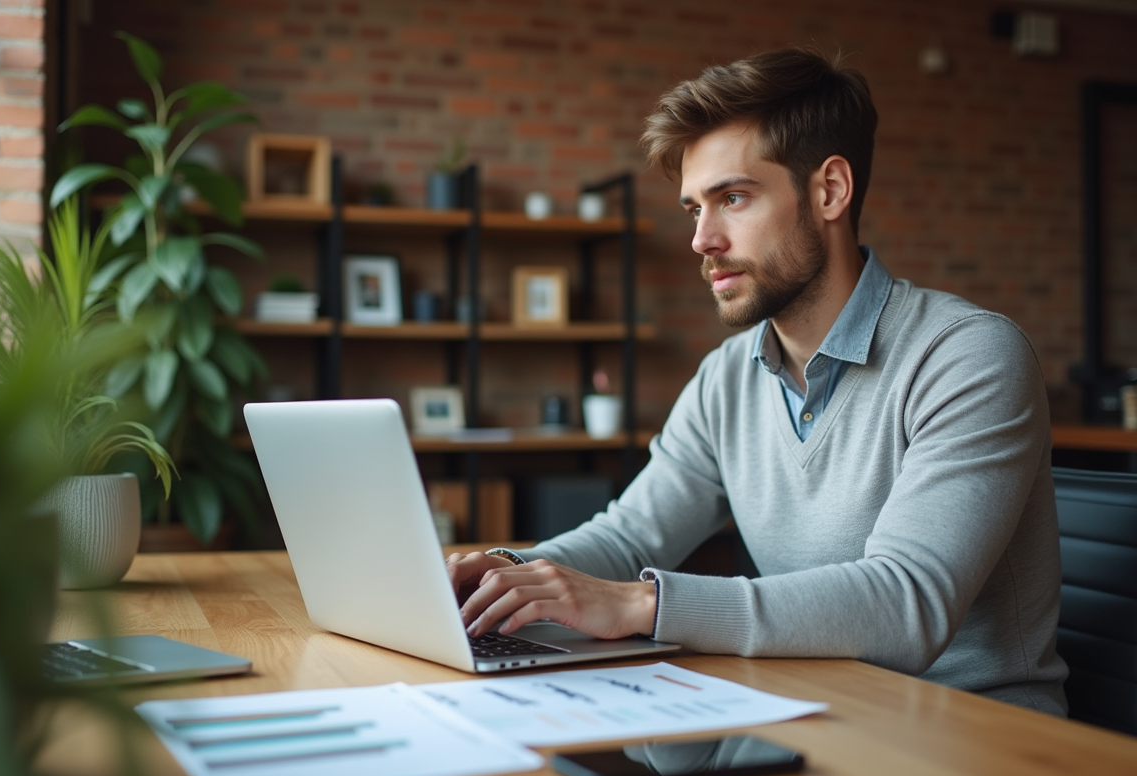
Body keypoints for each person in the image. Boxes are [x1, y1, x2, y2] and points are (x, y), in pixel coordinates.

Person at [447, 47, 1067, 715]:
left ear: (829, 190)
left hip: (973, 740)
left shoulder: (968, 356)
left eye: (733, 198)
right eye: (693, 209)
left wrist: (640, 603)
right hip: (811, 710)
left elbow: (908, 603)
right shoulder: (727, 377)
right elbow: (629, 539)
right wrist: (509, 573)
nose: (701, 240)